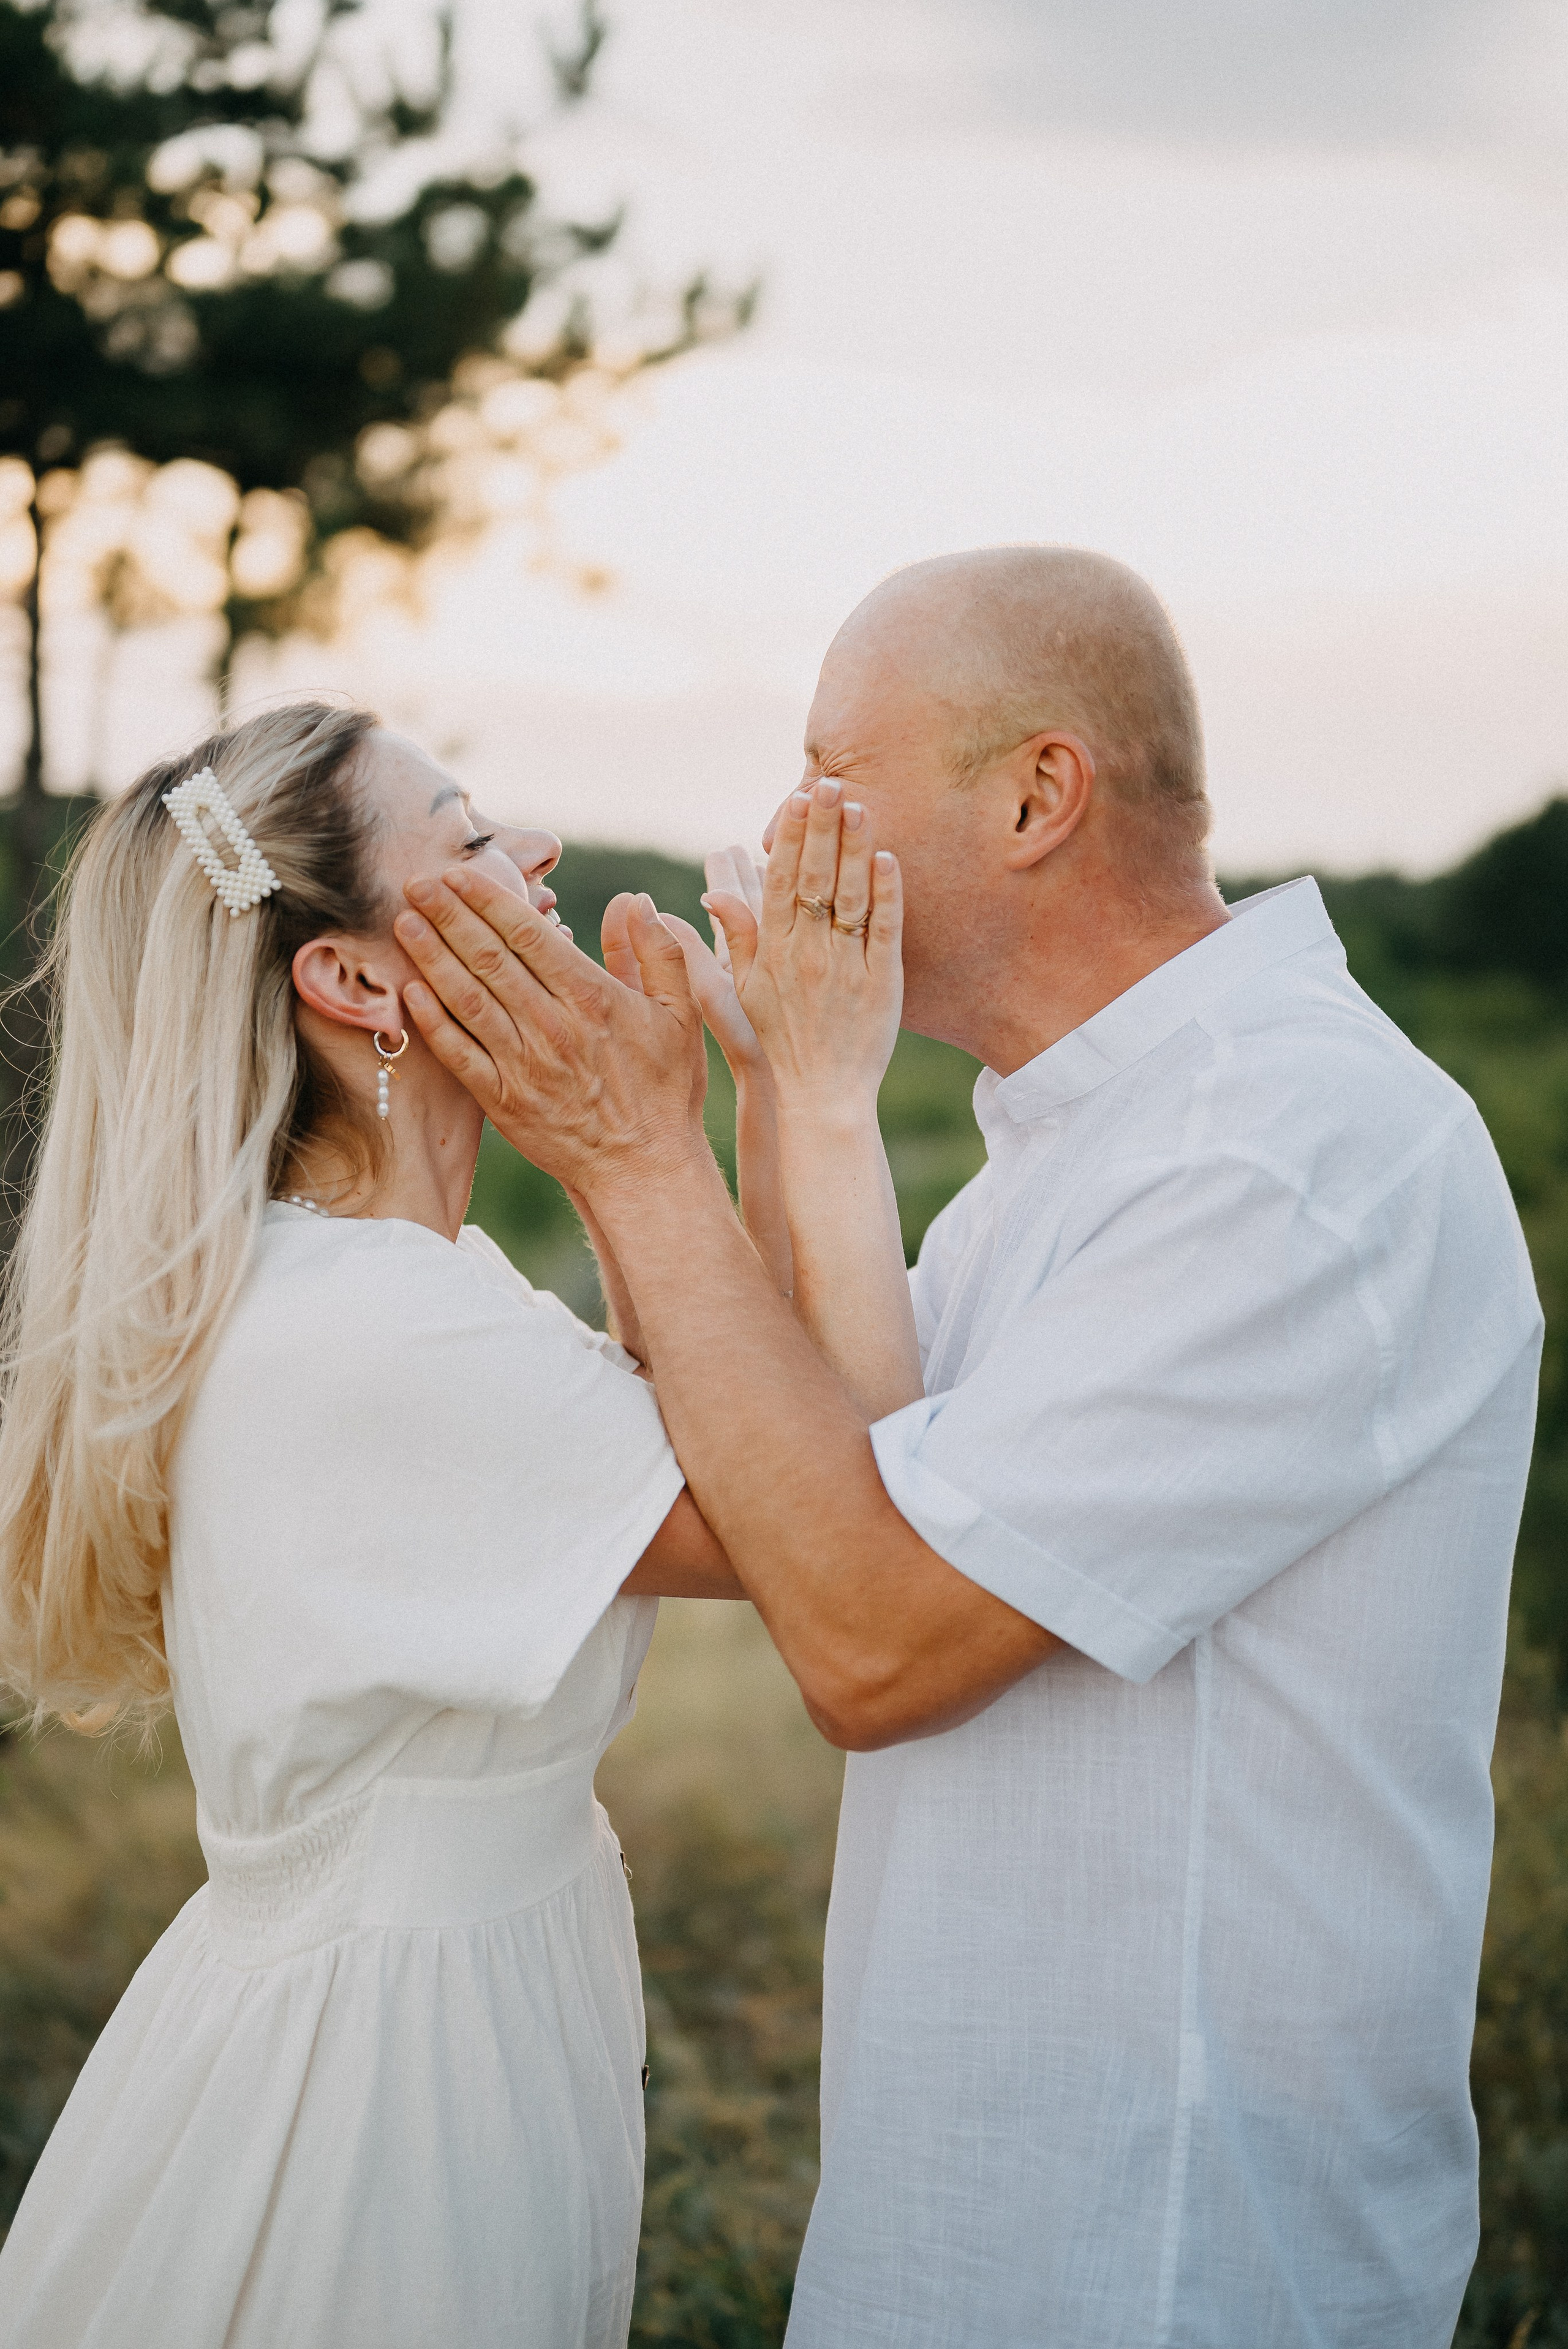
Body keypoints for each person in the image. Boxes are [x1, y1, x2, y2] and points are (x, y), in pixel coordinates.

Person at [394, 546, 1544, 2348]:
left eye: (830, 770)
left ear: (1036, 795)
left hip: (1168, 2254)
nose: (781, 828)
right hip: (980, 2214)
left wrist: (632, 1160)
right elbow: (841, 1480)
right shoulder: (1077, 1148)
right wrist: (794, 1104)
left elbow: (870, 1638)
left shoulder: (1281, 1156)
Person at [0, 701, 772, 2349]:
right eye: (476, 835)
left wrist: (625, 1149)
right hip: (381, 2096)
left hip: (416, 2009)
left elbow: (712, 1418)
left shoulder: (378, 1289)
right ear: (352, 981)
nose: (541, 857)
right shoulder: (378, 1333)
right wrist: (768, 1098)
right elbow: (799, 1516)